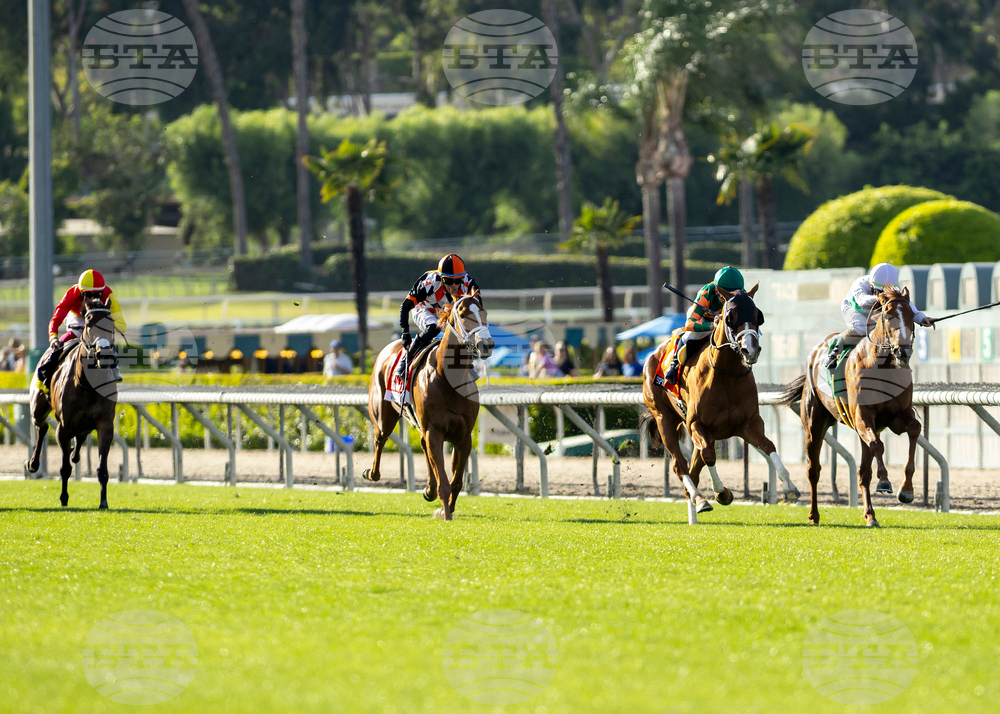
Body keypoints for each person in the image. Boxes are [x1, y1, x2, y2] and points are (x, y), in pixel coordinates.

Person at [825, 262, 934, 369]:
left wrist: (922, 318)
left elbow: (909, 308)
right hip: (853, 308)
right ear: (871, 285)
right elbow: (862, 301)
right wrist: (879, 298)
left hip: (875, 313)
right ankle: (835, 350)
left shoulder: (895, 290)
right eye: (880, 291)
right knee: (861, 328)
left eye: (887, 291)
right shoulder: (860, 284)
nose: (885, 293)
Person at [395, 254, 482, 383]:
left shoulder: (469, 284)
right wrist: (405, 333)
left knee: (463, 327)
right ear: (441, 278)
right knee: (434, 328)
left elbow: (477, 313)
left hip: (448, 313)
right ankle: (406, 360)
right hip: (424, 309)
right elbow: (404, 307)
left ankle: (467, 362)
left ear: (463, 277)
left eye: (458, 281)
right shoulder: (428, 282)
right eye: (448, 281)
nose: (454, 286)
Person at [35, 269, 126, 392]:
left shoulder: (108, 294)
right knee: (65, 340)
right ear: (81, 291)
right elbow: (57, 318)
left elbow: (122, 325)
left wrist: (107, 325)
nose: (93, 298)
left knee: (105, 338)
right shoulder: (72, 294)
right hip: (77, 319)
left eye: (97, 295)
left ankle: (114, 367)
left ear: (102, 291)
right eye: (88, 295)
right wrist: (53, 337)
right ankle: (44, 375)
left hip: (97, 319)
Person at [664, 265, 744, 385]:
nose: (729, 299)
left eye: (733, 294)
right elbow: (690, 324)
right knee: (690, 334)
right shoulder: (706, 293)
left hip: (726, 320)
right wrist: (712, 325)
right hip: (704, 318)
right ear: (717, 290)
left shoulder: (741, 295)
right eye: (725, 295)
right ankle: (674, 365)